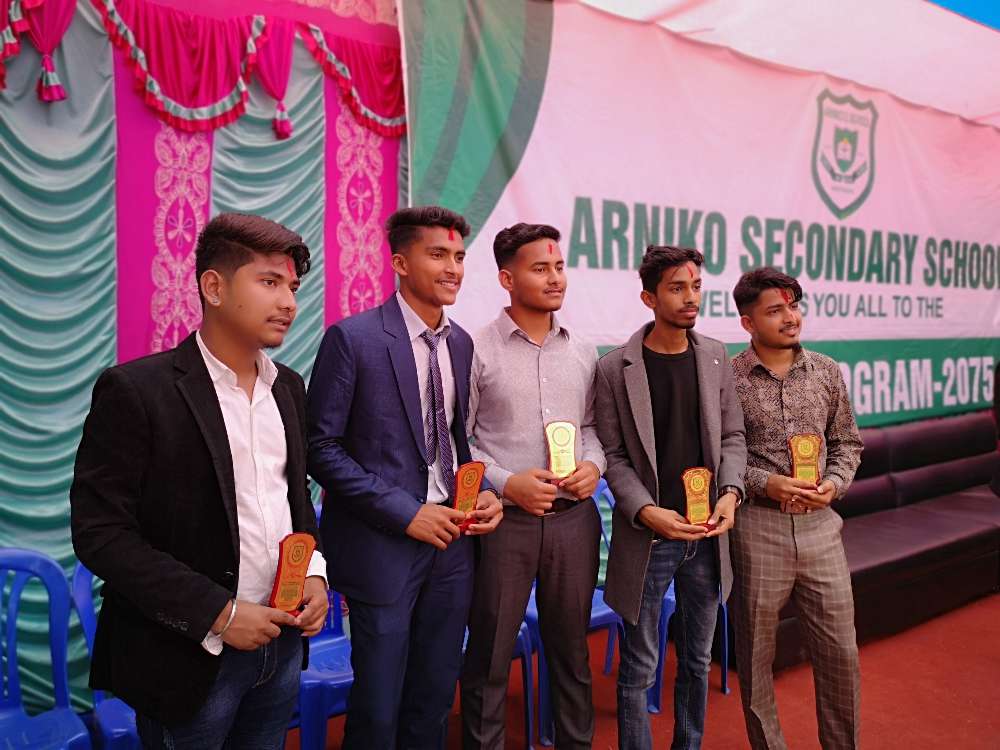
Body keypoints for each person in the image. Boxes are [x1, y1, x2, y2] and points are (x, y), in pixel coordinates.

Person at [71, 213, 329, 749]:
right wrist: (219, 613)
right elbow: (101, 534)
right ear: (214, 287)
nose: (288, 302)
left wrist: (314, 572)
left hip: (281, 640)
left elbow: (292, 496)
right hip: (188, 655)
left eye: (292, 288)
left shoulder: (288, 388)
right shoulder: (137, 391)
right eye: (269, 282)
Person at [307, 206, 503, 750]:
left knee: (435, 696)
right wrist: (405, 513)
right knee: (377, 706)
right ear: (400, 262)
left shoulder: (461, 343)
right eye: (437, 254)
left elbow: (454, 442)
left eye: (459, 256)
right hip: (383, 546)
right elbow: (319, 448)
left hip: (453, 544)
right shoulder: (354, 339)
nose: (453, 268)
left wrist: (484, 492)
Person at [460, 223, 606, 750]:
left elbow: (592, 427)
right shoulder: (474, 350)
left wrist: (594, 466)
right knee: (490, 658)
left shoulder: (583, 350)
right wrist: (506, 482)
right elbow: (459, 441)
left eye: (559, 267)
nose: (554, 278)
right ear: (507, 278)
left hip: (574, 522)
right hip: (504, 525)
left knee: (572, 655)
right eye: (540, 269)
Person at [595, 245, 746, 750]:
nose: (690, 298)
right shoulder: (615, 368)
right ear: (649, 297)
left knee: (698, 661)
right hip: (650, 537)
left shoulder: (716, 356)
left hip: (707, 535)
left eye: (696, 286)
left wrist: (730, 493)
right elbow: (613, 455)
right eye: (677, 288)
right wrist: (647, 511)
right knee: (639, 667)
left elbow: (732, 437)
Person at [730, 267, 864, 750]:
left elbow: (847, 442)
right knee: (755, 656)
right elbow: (722, 456)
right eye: (775, 311)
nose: (790, 318)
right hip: (756, 528)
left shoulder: (826, 371)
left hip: (821, 527)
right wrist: (765, 482)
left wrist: (834, 484)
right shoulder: (729, 379)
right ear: (748, 323)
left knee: (841, 654)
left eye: (793, 307)